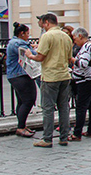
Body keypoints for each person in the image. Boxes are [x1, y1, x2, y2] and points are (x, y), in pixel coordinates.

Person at [25, 13, 73, 147]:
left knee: (48, 108)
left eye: (41, 22)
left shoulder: (47, 36)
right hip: (64, 75)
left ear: (47, 22)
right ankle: (64, 137)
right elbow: (69, 59)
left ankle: (47, 138)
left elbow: (40, 57)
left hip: (50, 76)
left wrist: (30, 55)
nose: (40, 25)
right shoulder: (66, 36)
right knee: (64, 107)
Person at [68, 27, 91, 141]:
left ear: (80, 36)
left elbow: (83, 64)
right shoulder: (90, 45)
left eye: (74, 38)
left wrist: (72, 60)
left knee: (81, 107)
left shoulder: (86, 47)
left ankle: (77, 133)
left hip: (86, 80)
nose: (74, 41)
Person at [6, 23, 36, 138]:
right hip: (20, 75)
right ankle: (21, 127)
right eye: (27, 34)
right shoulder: (18, 43)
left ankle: (21, 125)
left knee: (22, 101)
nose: (28, 36)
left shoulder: (13, 42)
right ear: (22, 33)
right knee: (29, 100)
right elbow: (32, 54)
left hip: (15, 75)